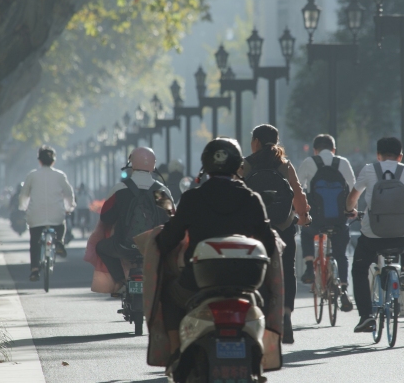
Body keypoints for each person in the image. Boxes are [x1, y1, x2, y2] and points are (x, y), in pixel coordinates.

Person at [156, 138, 276, 361]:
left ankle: (175, 354)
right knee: (268, 296)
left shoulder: (192, 198)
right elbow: (268, 245)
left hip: (197, 283)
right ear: (238, 165)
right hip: (247, 283)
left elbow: (167, 241)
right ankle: (264, 351)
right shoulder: (252, 199)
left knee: (169, 295)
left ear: (205, 165)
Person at [345, 137, 404, 333]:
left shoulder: (369, 169)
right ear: (401, 155)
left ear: (378, 155)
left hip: (372, 237)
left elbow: (352, 199)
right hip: (401, 235)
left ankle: (366, 316)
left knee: (359, 269)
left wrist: (350, 210)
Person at [242, 124, 311, 344]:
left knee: (251, 269)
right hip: (283, 227)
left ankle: (256, 316)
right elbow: (298, 194)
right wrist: (304, 216)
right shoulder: (284, 165)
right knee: (287, 270)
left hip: (254, 229)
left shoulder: (246, 165)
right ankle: (286, 317)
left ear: (256, 142)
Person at [96, 147, 171, 291]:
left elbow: (105, 217)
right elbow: (171, 219)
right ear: (153, 164)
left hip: (123, 246)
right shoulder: (161, 191)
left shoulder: (120, 189)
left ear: (132, 164)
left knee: (101, 247)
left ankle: (121, 281)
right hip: (153, 247)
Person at [297, 134, 355, 311]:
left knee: (306, 232)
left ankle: (308, 267)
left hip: (315, 219)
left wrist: (300, 212)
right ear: (333, 149)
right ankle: (344, 289)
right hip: (338, 219)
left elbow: (298, 188)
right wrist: (351, 211)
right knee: (341, 254)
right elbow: (353, 188)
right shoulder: (343, 163)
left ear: (315, 150)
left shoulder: (308, 162)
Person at [19, 146, 75, 281]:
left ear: (39, 161)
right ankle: (59, 241)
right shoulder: (60, 175)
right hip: (56, 215)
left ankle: (34, 270)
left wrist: (23, 207)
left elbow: (24, 195)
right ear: (53, 161)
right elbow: (69, 194)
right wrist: (69, 208)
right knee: (61, 224)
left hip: (36, 215)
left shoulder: (32, 175)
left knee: (34, 242)